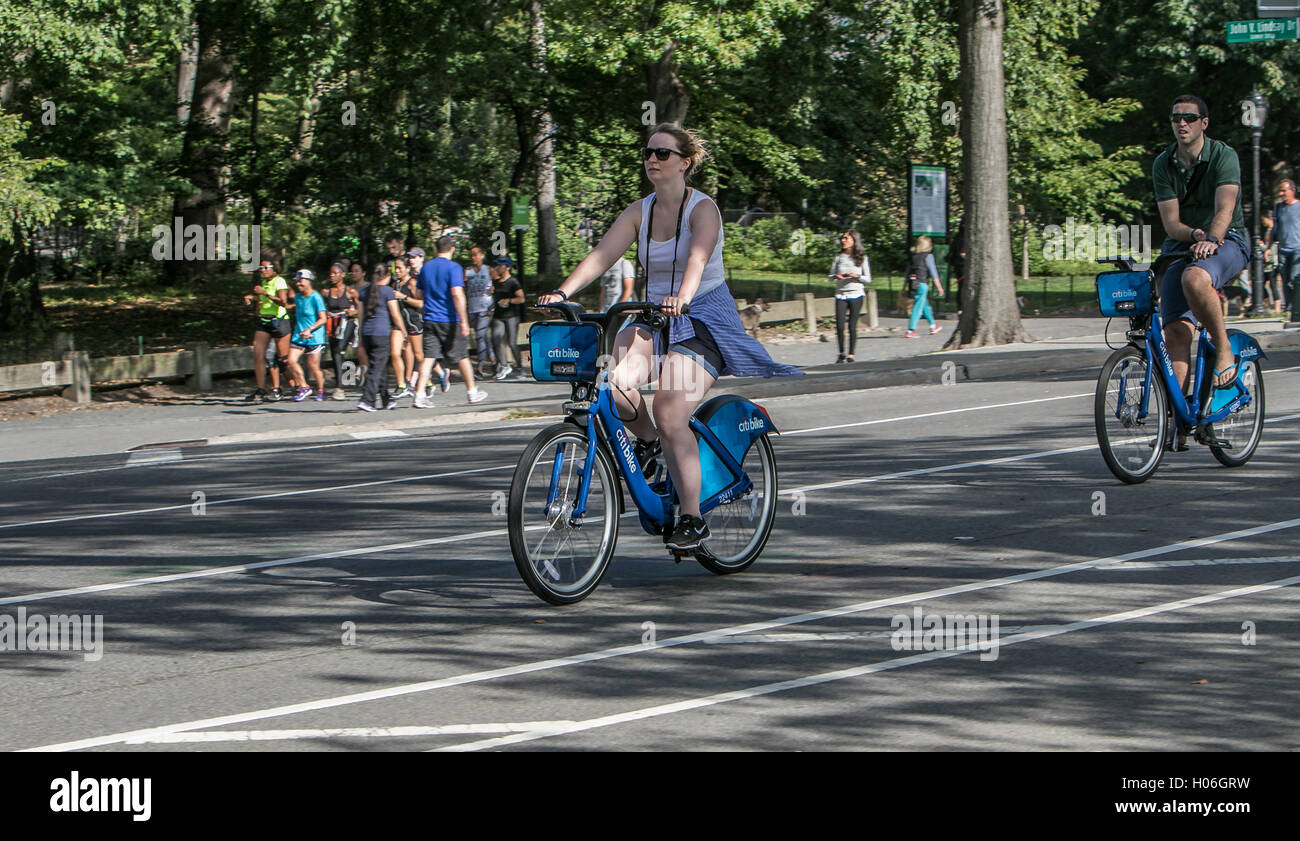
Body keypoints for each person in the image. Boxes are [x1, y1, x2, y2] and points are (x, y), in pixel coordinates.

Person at [537, 123, 801, 551]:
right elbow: (603, 255)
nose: (652, 159)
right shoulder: (639, 211)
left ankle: (692, 518)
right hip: (650, 314)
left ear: (685, 162)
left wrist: (682, 296)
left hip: (700, 318)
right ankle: (648, 443)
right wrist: (563, 292)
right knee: (614, 383)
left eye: (662, 153)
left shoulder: (704, 209)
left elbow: (697, 257)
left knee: (670, 407)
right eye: (648, 152)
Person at [1151, 94, 1251, 408]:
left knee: (1195, 279)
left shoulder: (1223, 155)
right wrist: (1194, 234)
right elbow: (1171, 223)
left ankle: (1223, 350)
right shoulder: (1163, 163)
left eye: (1189, 118)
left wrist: (1211, 238)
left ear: (1203, 123)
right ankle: (1177, 419)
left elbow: (1225, 208)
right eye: (1176, 117)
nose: (1182, 123)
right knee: (1176, 332)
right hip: (1182, 244)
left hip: (1229, 239)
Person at [408, 235, 487, 405]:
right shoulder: (454, 268)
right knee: (461, 356)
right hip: (450, 319)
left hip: (429, 318)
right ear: (452, 249)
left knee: (429, 357)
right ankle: (472, 392)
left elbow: (419, 294)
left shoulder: (426, 268)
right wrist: (464, 321)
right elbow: (457, 294)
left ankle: (420, 395)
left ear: (436, 249)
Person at [356, 263, 408, 411]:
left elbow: (360, 317)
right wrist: (403, 331)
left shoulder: (364, 292)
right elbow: (395, 314)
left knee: (380, 364)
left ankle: (386, 399)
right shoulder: (387, 291)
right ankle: (367, 399)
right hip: (381, 333)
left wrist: (360, 336)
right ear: (387, 275)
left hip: (367, 333)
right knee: (376, 367)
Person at [243, 253, 291, 402]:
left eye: (265, 267)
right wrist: (252, 297)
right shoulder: (264, 282)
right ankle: (261, 389)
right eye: (260, 268)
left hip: (279, 322)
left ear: (274, 269)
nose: (262, 270)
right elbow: (263, 299)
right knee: (258, 354)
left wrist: (264, 293)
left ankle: (297, 385)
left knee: (283, 361)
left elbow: (283, 302)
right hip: (264, 321)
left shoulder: (279, 281)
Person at [405, 246, 450, 394]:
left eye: (415, 257)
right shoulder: (409, 273)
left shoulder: (427, 273)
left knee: (422, 352)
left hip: (428, 316)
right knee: (422, 352)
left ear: (421, 258)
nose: (411, 260)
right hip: (414, 317)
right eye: (410, 257)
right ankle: (437, 377)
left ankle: (416, 383)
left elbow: (423, 298)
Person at [285, 269, 328, 401]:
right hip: (299, 335)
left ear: (309, 281)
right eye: (297, 282)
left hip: (314, 336)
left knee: (313, 366)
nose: (298, 283)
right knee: (291, 361)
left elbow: (323, 318)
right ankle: (304, 387)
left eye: (301, 281)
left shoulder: (316, 297)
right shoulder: (298, 297)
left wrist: (310, 330)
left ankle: (321, 389)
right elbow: (290, 299)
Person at [321, 262, 361, 400]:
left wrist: (353, 312)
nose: (332, 276)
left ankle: (340, 387)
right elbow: (321, 308)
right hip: (332, 324)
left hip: (347, 322)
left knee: (339, 349)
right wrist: (325, 313)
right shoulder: (326, 292)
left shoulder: (350, 291)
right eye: (330, 273)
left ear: (343, 275)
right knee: (336, 354)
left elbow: (360, 309)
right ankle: (346, 379)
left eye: (335, 273)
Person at [829, 231, 869, 362]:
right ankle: (841, 353)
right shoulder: (838, 257)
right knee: (840, 325)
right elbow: (830, 276)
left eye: (846, 238)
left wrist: (857, 276)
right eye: (842, 238)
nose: (843, 240)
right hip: (841, 294)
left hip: (856, 293)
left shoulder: (862, 257)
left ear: (854, 240)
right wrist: (835, 276)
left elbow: (868, 279)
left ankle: (851, 354)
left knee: (852, 325)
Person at [1263, 178, 1300, 320]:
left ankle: (1295, 309)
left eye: (1284, 190)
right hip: (1283, 249)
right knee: (1285, 281)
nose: (1281, 193)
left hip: (1298, 249)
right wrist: (1268, 248)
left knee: (1293, 278)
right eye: (1280, 190)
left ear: (1292, 190)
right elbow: (1274, 229)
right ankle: (1291, 308)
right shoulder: (1278, 207)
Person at [489, 257, 525, 380]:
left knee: (512, 343)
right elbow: (497, 298)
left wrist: (509, 300)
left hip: (511, 317)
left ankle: (520, 368)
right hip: (498, 316)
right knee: (495, 339)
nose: (497, 268)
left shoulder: (513, 282)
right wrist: (491, 308)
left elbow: (521, 298)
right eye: (497, 265)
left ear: (507, 267)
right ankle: (504, 365)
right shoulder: (496, 282)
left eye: (500, 265)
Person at [904, 235, 944, 338]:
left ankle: (933, 326)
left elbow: (907, 273)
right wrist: (939, 287)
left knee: (925, 304)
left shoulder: (913, 256)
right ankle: (910, 330)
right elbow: (933, 272)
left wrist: (903, 288)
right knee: (918, 307)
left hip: (913, 284)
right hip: (922, 284)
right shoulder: (928, 256)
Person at [464, 245, 496, 376]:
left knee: (479, 337)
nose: (473, 257)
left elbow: (498, 285)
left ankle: (480, 367)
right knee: (482, 337)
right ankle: (494, 362)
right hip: (472, 308)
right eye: (471, 255)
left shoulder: (488, 270)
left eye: (476, 254)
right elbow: (463, 289)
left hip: (486, 308)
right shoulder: (467, 271)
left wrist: (494, 293)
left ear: (482, 255)